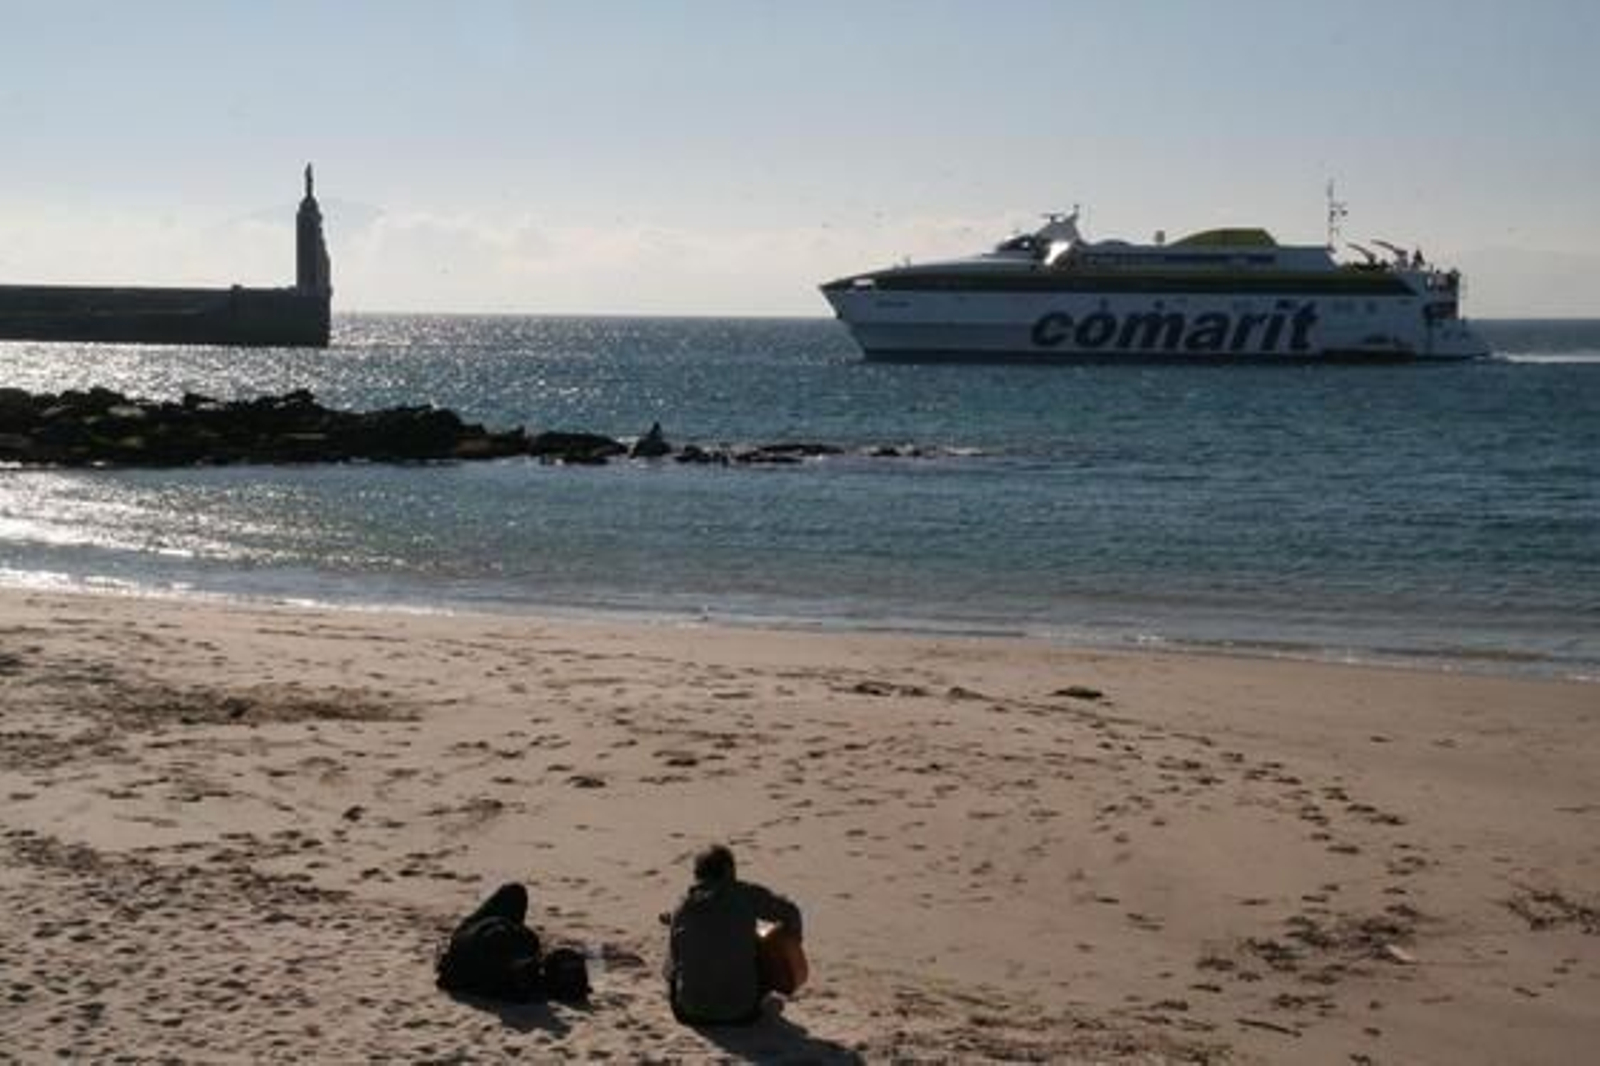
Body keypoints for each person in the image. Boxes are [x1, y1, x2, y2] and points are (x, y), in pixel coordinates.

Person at [664, 844, 804, 1025]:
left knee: (677, 948)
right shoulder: (745, 895)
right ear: (729, 870)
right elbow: (790, 912)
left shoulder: (683, 906)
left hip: (690, 1014)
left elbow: (672, 965)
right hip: (742, 1012)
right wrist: (791, 948)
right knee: (759, 943)